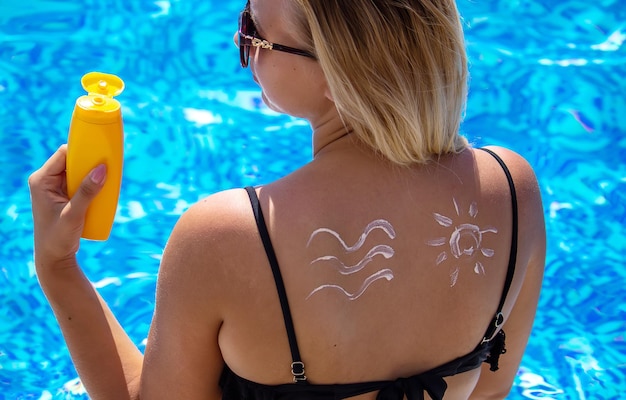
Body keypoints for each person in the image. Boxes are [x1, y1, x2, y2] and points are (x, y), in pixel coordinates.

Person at [28, 0, 546, 398]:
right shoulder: (511, 189)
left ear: (336, 74)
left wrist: (58, 267)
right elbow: (493, 388)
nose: (241, 41)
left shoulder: (230, 237)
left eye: (254, 31)